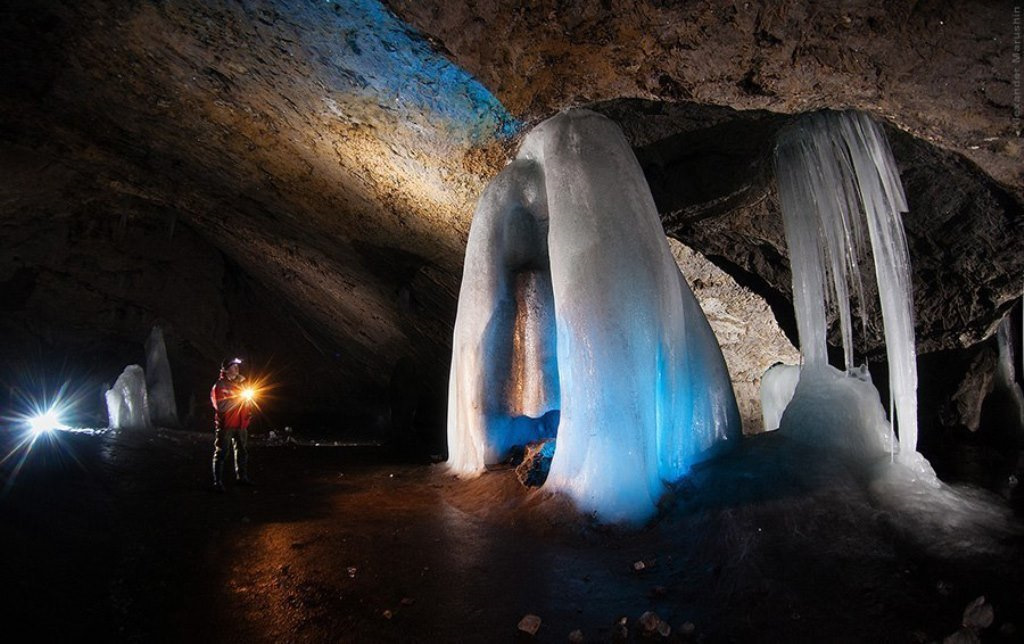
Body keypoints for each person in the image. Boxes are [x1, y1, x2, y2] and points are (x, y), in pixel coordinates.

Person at [210, 357, 254, 492]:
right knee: (222, 453)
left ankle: (242, 477)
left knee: (242, 452)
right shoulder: (219, 386)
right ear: (226, 369)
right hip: (226, 425)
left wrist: (248, 412)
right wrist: (239, 398)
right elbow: (221, 407)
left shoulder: (241, 384)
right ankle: (217, 482)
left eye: (237, 366)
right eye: (234, 366)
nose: (237, 369)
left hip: (241, 424)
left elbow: (248, 400)